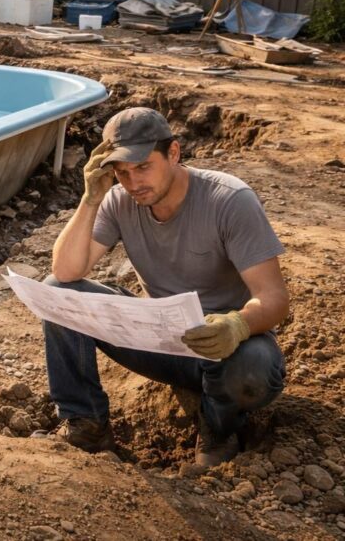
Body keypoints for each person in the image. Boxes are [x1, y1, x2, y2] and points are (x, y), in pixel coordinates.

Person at [42, 107, 288, 466]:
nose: (133, 182)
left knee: (254, 368)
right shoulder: (118, 200)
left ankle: (219, 430)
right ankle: (87, 425)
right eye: (122, 172)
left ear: (173, 153)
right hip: (160, 342)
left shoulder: (229, 201)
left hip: (224, 347)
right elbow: (65, 271)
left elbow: (275, 298)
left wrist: (236, 326)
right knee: (57, 293)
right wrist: (91, 198)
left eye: (143, 167)